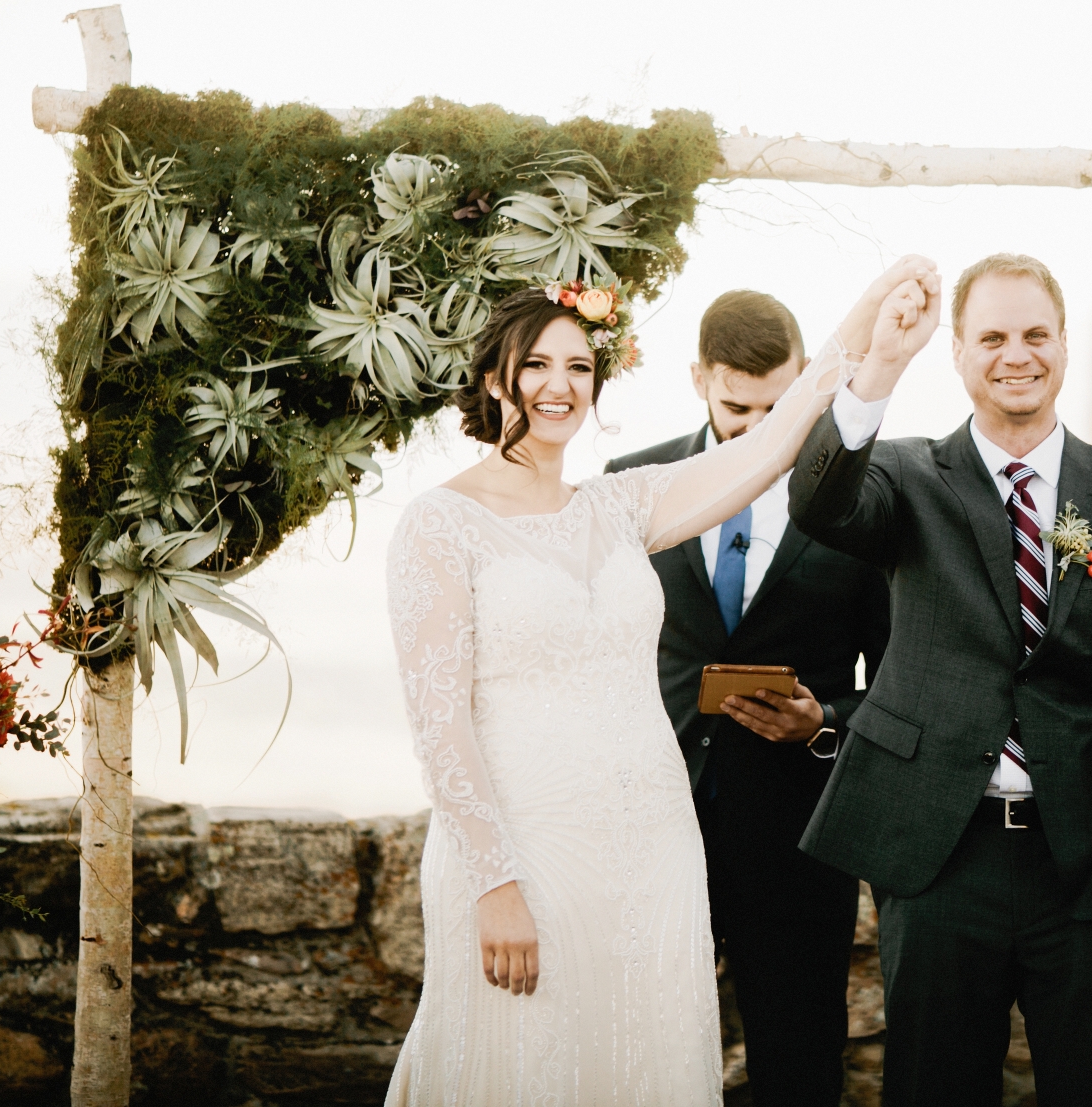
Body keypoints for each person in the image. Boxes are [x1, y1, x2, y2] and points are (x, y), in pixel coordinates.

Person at [383, 259, 941, 1105]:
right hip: (528, 853)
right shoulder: (439, 523)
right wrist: (493, 883)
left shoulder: (617, 506)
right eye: (537, 365)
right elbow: (439, 725)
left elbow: (771, 446)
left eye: (579, 365)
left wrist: (871, 327)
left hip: (652, 855)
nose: (560, 385)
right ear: (495, 377)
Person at [786, 253, 1092, 1107]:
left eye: (1036, 334)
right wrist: (881, 364)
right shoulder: (903, 476)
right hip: (939, 856)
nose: (1017, 354)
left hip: (1087, 866)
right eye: (992, 338)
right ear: (958, 353)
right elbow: (819, 502)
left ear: (1064, 344)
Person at [606, 290, 891, 1107]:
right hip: (652, 831)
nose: (762, 431)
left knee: (798, 1066)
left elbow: (898, 677)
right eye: (738, 409)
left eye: (779, 408)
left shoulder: (860, 501)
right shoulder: (632, 483)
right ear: (698, 378)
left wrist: (823, 720)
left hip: (798, 843)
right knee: (638, 1061)